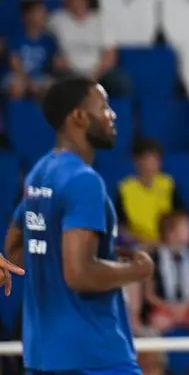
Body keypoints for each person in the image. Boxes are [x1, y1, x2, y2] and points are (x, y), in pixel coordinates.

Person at [2, 76, 155, 374]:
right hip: (95, 356)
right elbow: (79, 274)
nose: (113, 115)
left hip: (44, 355)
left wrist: (99, 256)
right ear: (78, 116)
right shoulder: (84, 181)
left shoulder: (40, 173)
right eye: (104, 106)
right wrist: (136, 271)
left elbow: (14, 248)